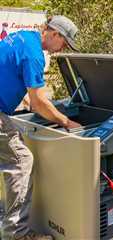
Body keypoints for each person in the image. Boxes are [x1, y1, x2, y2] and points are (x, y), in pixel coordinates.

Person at [0, 16, 81, 240]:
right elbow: (39, 103)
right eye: (64, 43)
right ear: (55, 34)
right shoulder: (35, 54)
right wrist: (66, 122)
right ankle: (16, 234)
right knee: (21, 161)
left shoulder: (23, 37)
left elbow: (12, 73)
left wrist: (28, 102)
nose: (62, 48)